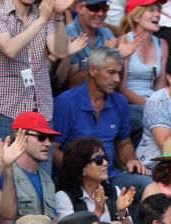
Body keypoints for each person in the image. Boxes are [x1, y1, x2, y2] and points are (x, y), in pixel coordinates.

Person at [0, 0, 74, 145]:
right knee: (5, 172)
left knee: (42, 173)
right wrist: (42, 19)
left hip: (41, 113)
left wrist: (58, 16)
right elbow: (10, 49)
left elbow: (60, 52)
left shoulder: (45, 15)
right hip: (7, 113)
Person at [52, 47, 151, 194]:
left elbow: (124, 143)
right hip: (75, 180)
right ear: (93, 70)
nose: (117, 79)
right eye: (111, 72)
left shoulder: (120, 102)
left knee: (149, 185)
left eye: (119, 73)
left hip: (110, 176)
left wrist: (130, 159)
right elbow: (52, 149)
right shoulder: (66, 102)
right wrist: (79, 170)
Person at [54, 137, 137, 224]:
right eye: (98, 160)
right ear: (81, 167)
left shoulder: (113, 191)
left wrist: (121, 214)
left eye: (105, 158)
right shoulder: (64, 197)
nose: (105, 163)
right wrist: (98, 212)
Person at [118, 0, 169, 138]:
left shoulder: (162, 44)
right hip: (129, 105)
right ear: (135, 16)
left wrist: (160, 105)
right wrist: (149, 105)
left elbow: (161, 87)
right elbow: (121, 88)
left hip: (153, 103)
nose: (157, 14)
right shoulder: (123, 42)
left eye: (158, 10)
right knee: (144, 120)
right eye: (151, 10)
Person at [8, 112, 60, 222]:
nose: (48, 143)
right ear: (19, 135)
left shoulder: (47, 180)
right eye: (41, 137)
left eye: (50, 138)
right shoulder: (5, 174)